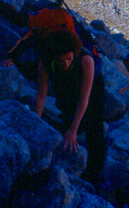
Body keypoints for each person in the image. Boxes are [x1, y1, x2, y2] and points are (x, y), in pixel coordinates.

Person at [33, 30, 105, 183]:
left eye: (69, 58)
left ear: (74, 54)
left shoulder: (85, 59)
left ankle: (94, 175)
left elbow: (84, 99)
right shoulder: (45, 62)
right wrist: (35, 122)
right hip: (68, 81)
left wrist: (73, 130)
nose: (65, 63)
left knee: (95, 126)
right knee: (66, 108)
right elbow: (41, 96)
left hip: (93, 87)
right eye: (60, 60)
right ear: (53, 57)